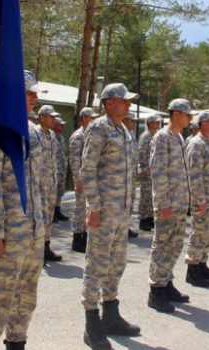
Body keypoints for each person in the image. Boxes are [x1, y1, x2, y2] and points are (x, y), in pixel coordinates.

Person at [0, 70, 48, 350]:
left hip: (32, 230)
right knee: (2, 296)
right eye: (27, 92)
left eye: (34, 92)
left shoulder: (33, 133)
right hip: (10, 232)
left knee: (27, 294)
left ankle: (17, 342)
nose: (33, 97)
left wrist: (43, 225)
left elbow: (38, 184)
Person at [80, 83, 141, 350]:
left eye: (128, 100)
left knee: (117, 264)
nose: (128, 104)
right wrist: (94, 207)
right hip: (103, 212)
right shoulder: (99, 128)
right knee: (97, 266)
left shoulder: (125, 131)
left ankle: (110, 314)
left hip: (122, 211)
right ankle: (91, 323)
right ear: (108, 103)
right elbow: (87, 170)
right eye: (123, 100)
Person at [146, 99, 193, 314]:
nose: (189, 118)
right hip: (168, 204)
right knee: (162, 246)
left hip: (180, 202)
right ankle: (156, 291)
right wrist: (163, 202)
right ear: (176, 114)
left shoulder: (179, 138)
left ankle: (167, 282)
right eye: (186, 114)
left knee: (174, 246)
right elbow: (158, 172)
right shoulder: (162, 138)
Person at [185, 110, 209, 288]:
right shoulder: (196, 144)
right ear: (204, 124)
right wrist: (199, 200)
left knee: (208, 233)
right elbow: (194, 174)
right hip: (203, 199)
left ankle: (202, 264)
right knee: (199, 234)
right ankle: (192, 270)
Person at [69, 107, 99, 253]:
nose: (94, 120)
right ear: (84, 119)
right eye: (91, 117)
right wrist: (77, 179)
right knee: (80, 209)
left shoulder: (91, 134)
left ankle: (85, 237)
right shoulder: (78, 136)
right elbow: (75, 160)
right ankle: (77, 238)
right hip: (82, 179)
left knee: (87, 209)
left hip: (90, 179)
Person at [37, 105, 63, 262]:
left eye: (54, 116)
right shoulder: (36, 134)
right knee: (40, 217)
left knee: (49, 216)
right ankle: (38, 250)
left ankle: (46, 247)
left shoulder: (52, 135)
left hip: (51, 182)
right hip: (40, 183)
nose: (54, 119)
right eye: (51, 116)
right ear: (42, 117)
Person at [137, 113, 162, 231]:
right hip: (148, 171)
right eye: (156, 122)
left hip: (155, 171)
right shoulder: (145, 136)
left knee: (153, 196)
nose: (158, 124)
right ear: (150, 123)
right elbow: (141, 153)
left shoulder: (157, 135)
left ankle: (151, 218)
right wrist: (144, 168)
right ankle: (143, 219)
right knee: (145, 196)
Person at [121, 113, 140, 238]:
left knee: (129, 203)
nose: (134, 123)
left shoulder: (130, 135)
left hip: (130, 176)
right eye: (132, 121)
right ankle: (121, 228)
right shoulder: (120, 133)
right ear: (125, 120)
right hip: (121, 178)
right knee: (121, 204)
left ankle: (125, 227)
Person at [53, 117, 69, 222]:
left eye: (63, 125)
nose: (62, 126)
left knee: (59, 192)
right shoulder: (51, 137)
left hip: (61, 169)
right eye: (60, 124)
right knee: (52, 193)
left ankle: (57, 210)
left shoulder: (61, 138)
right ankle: (51, 213)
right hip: (54, 170)